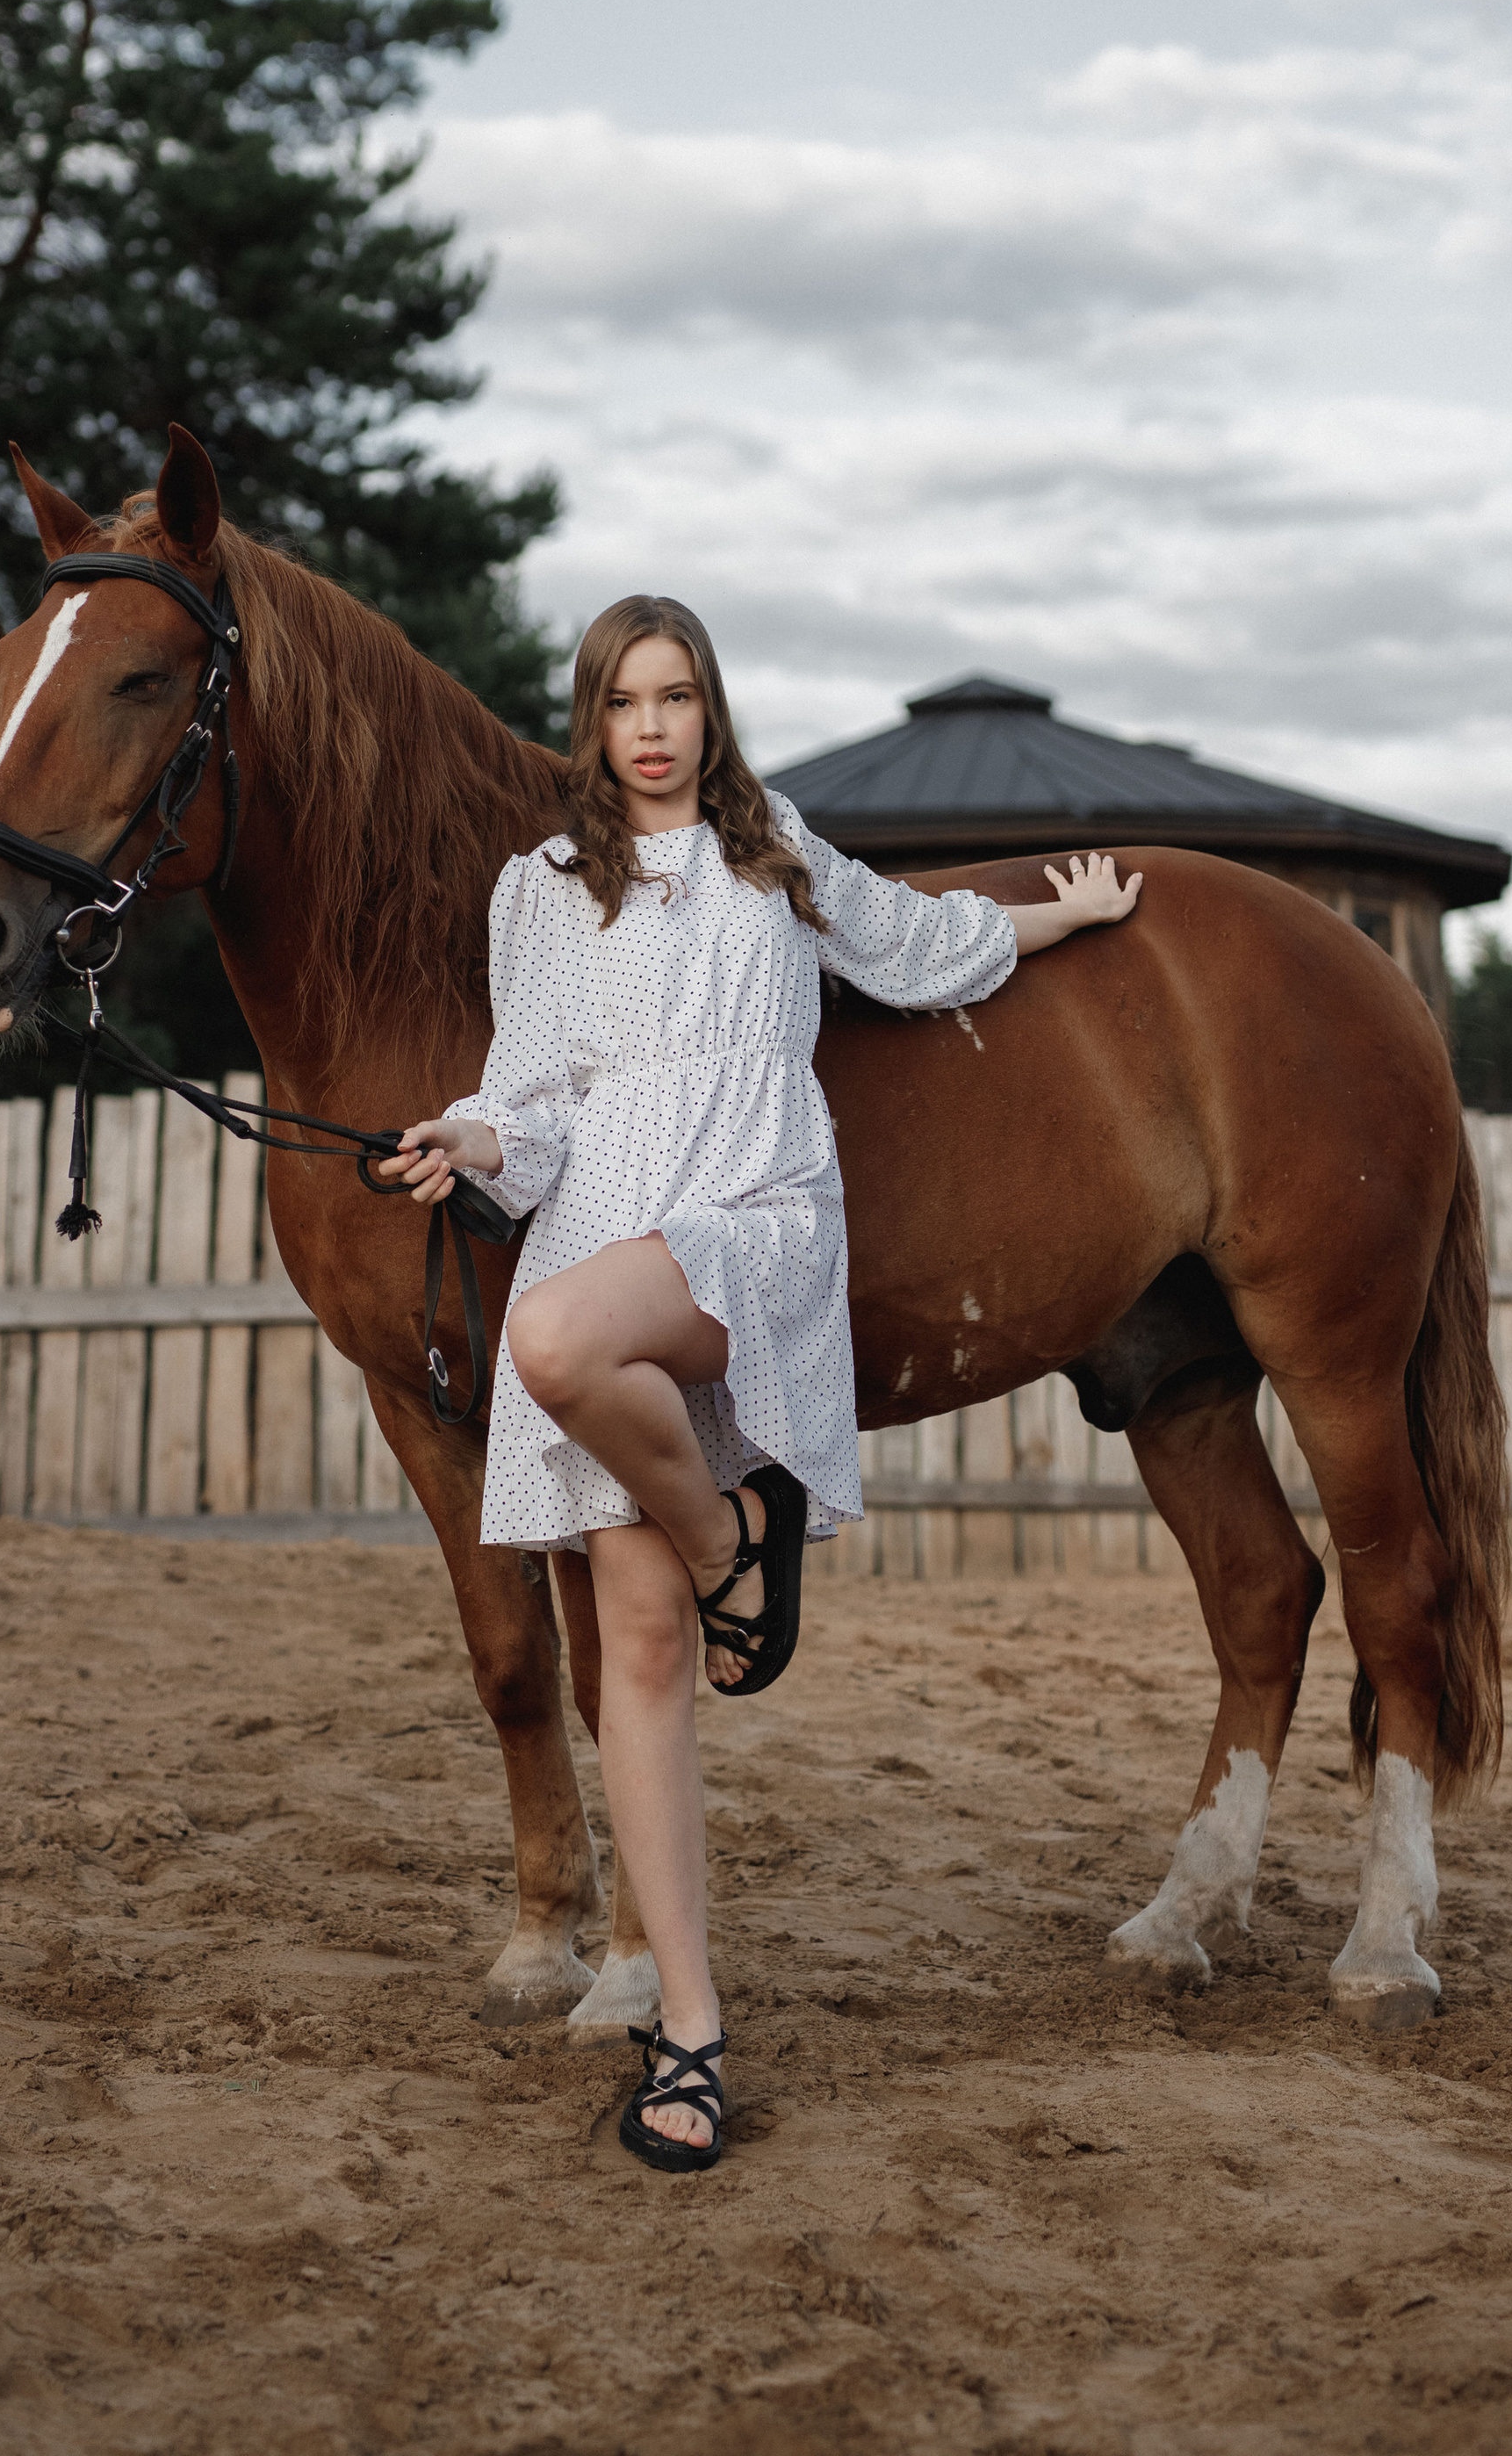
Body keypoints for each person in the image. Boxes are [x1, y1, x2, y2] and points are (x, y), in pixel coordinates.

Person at [382, 598, 1141, 2172]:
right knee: (642, 1653)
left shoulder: (772, 851)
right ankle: (694, 2031)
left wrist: (1064, 918)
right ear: (591, 725)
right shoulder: (543, 891)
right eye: (623, 705)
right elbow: (536, 1101)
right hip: (597, 1211)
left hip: (750, 1220)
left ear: (711, 714)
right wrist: (471, 1141)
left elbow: (917, 944)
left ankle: (736, 1535)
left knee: (553, 1344)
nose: (653, 729)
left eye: (679, 698)